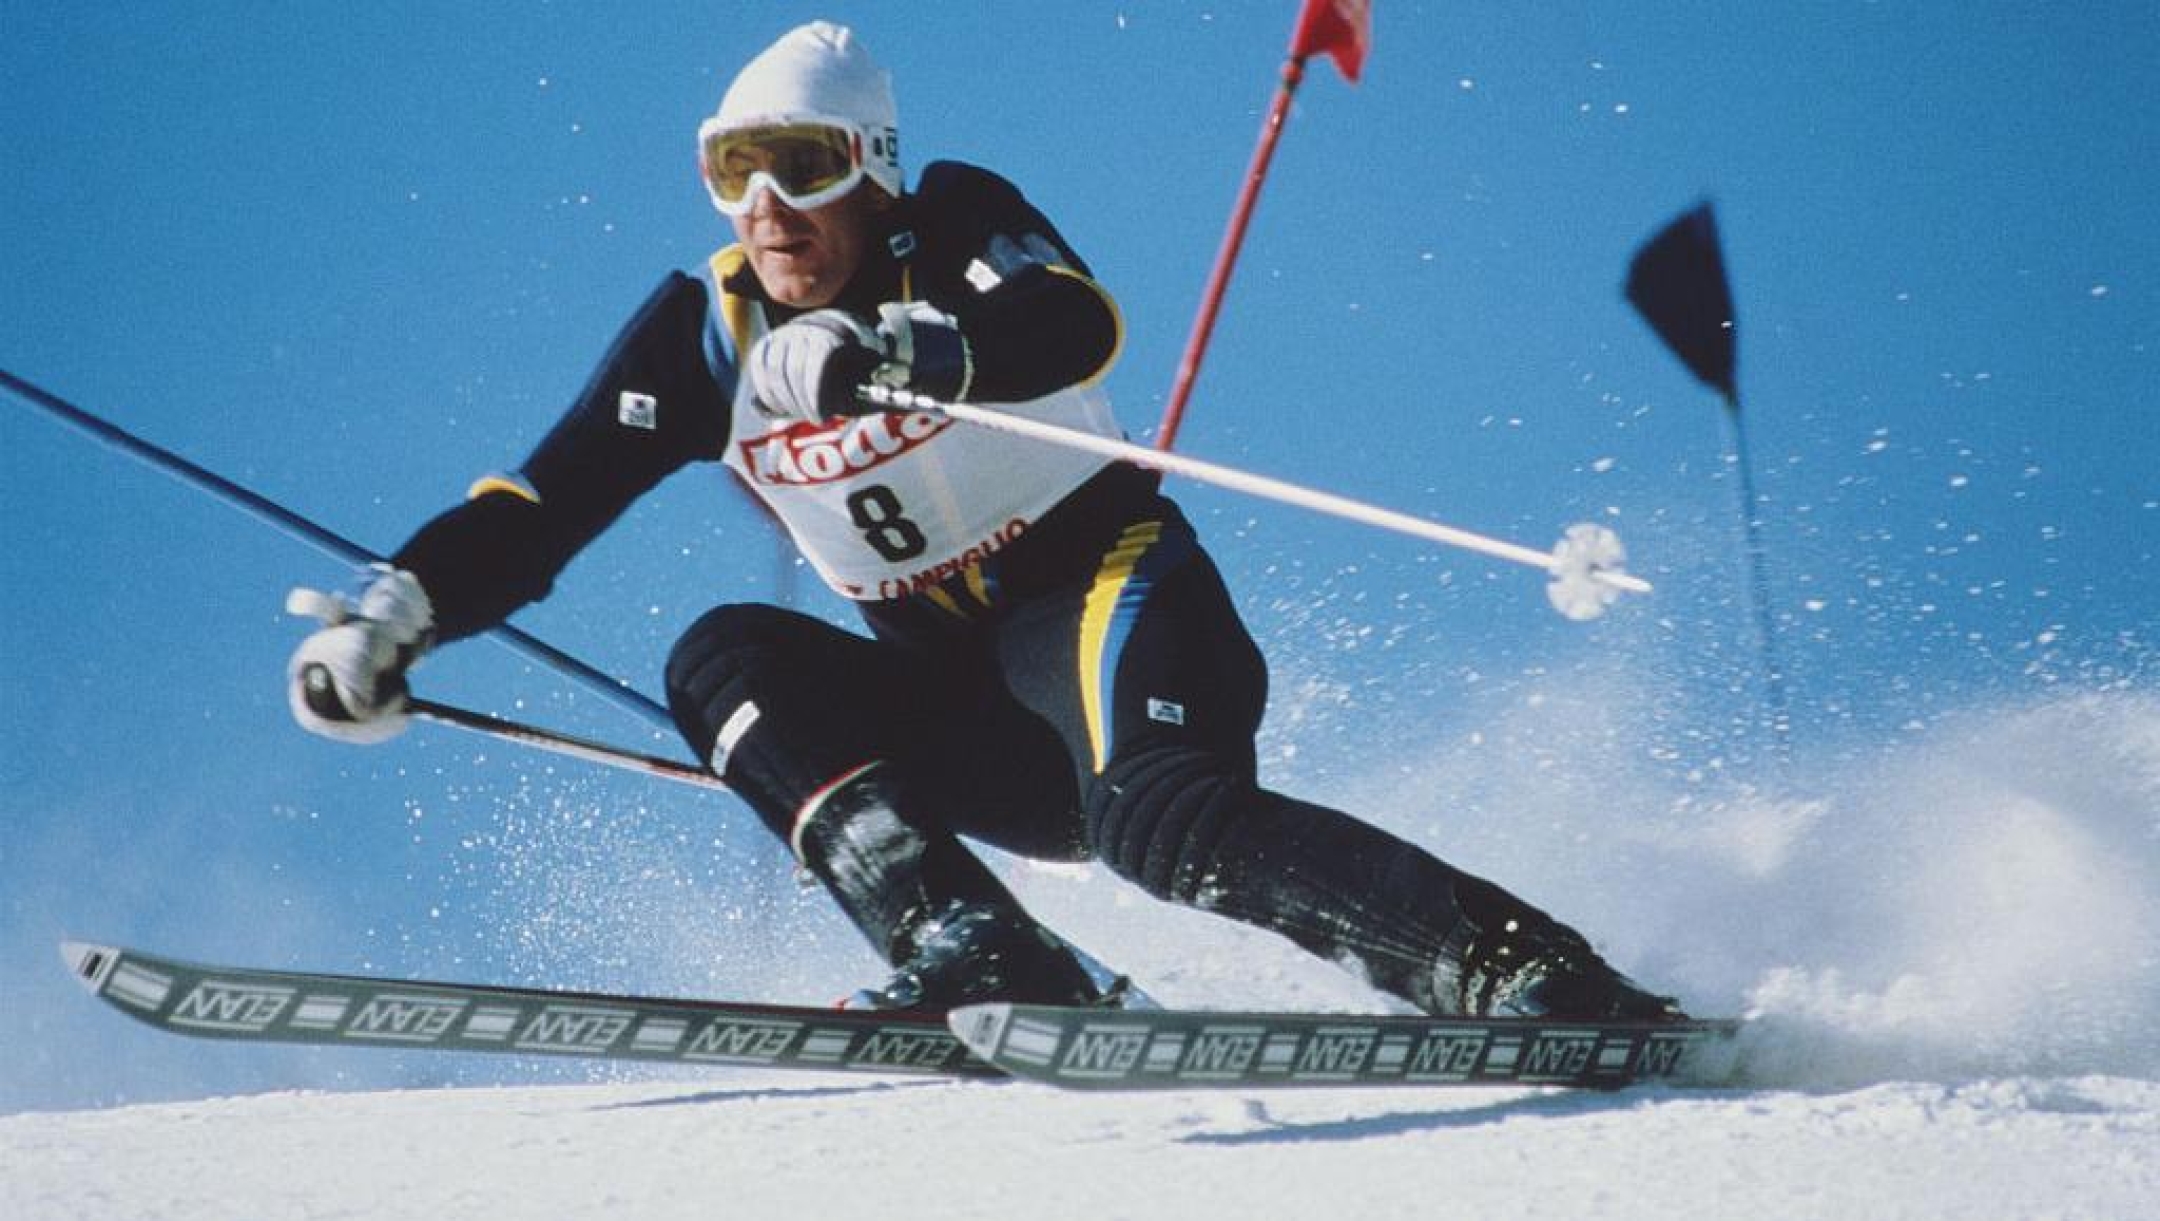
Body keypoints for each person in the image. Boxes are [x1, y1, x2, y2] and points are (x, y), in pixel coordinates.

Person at [289, 21, 1681, 1021]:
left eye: (803, 165)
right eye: (732, 171)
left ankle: (1517, 970)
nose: (768, 210)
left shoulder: (951, 224)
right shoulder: (706, 340)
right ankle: (978, 949)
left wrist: (907, 352)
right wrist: (402, 612)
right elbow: (540, 507)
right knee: (718, 657)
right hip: (964, 707)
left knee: (1162, 828)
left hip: (1112, 606)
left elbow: (1072, 320)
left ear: (874, 164)